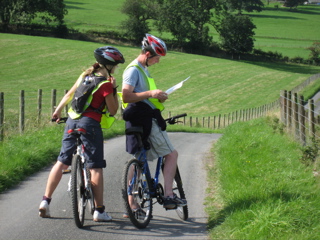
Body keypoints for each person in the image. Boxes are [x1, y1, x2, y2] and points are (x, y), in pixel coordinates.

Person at [39, 46, 125, 222]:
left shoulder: (85, 76)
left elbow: (70, 94)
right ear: (108, 66)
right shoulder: (105, 84)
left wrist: (58, 110)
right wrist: (114, 89)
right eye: (115, 66)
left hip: (71, 120)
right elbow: (113, 110)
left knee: (62, 161)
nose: (115, 69)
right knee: (95, 166)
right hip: (90, 124)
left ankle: (45, 201)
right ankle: (99, 210)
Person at [122, 33, 187, 213]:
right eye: (157, 57)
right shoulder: (134, 70)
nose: (158, 61)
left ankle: (131, 205)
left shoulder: (142, 69)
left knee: (139, 158)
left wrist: (158, 97)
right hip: (145, 119)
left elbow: (142, 97)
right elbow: (127, 95)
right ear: (148, 54)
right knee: (171, 155)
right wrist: (151, 94)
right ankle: (168, 195)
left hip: (138, 119)